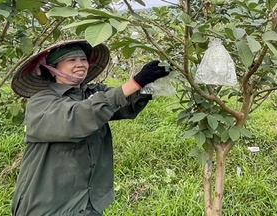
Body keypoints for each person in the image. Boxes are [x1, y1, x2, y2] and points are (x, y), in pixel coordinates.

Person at [10, 39, 170, 216]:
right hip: (49, 205)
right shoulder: (41, 102)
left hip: (88, 202)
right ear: (53, 68)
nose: (80, 64)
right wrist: (135, 82)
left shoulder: (92, 93)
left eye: (83, 59)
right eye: (71, 60)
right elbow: (77, 118)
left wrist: (149, 83)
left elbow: (124, 105)